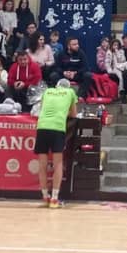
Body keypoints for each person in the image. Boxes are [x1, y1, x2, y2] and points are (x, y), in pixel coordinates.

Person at [35, 79, 78, 209]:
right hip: (57, 127)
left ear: (56, 86)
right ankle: (54, 199)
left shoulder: (47, 91)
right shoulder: (70, 92)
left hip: (42, 127)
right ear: (68, 87)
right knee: (57, 163)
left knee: (42, 165)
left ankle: (45, 197)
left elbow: (42, 109)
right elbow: (74, 114)